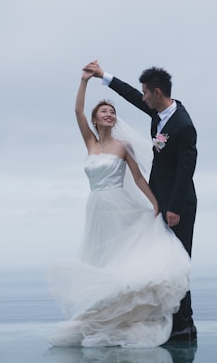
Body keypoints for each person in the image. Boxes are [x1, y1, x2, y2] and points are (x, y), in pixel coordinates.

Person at [46, 68, 191, 348]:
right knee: (100, 261)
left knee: (122, 262)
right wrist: (84, 81)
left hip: (119, 208)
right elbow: (77, 110)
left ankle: (130, 316)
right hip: (96, 209)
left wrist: (155, 203)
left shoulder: (123, 146)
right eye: (104, 112)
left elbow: (137, 177)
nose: (109, 115)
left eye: (112, 112)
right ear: (95, 119)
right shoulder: (90, 142)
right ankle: (103, 317)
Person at [85, 61, 198, 343]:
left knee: (179, 262)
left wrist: (173, 208)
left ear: (157, 92)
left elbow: (186, 171)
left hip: (179, 205)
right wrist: (104, 76)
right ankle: (183, 322)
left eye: (146, 93)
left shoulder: (183, 125)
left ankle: (183, 326)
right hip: (162, 199)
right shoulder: (159, 111)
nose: (143, 97)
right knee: (167, 261)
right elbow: (131, 96)